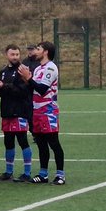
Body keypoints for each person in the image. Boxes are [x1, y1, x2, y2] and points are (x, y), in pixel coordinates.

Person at [22, 40, 65, 185]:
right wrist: (26, 81)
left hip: (48, 111)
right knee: (40, 143)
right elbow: (33, 88)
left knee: (54, 143)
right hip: (37, 111)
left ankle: (60, 175)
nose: (35, 51)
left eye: (38, 49)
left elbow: (42, 89)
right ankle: (43, 174)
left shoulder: (51, 68)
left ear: (45, 52)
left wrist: (29, 79)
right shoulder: (39, 69)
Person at [0, 44, 34, 182]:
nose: (15, 57)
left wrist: (4, 86)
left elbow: (23, 91)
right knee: (8, 141)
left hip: (20, 111)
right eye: (13, 54)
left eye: (17, 54)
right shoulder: (4, 71)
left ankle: (27, 173)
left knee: (22, 140)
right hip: (7, 111)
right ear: (7, 55)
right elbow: (2, 92)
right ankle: (8, 171)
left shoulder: (23, 71)